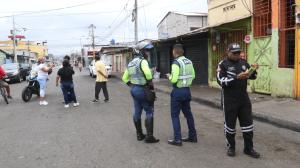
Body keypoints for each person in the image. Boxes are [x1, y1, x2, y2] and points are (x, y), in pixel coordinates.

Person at [217, 43, 260, 158]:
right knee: (230, 126)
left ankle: (248, 148)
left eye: (238, 53)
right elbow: (221, 81)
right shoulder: (223, 64)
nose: (237, 55)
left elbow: (252, 76)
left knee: (248, 125)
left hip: (243, 99)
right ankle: (231, 147)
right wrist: (236, 77)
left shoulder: (243, 62)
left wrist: (253, 70)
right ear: (228, 52)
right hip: (229, 100)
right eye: (234, 53)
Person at [122, 41, 159, 143]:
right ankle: (149, 137)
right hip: (144, 89)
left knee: (137, 111)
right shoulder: (143, 62)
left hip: (134, 90)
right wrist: (150, 76)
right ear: (140, 51)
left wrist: (132, 85)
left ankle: (139, 134)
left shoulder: (131, 63)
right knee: (149, 111)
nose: (147, 53)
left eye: (148, 51)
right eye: (146, 51)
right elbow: (148, 75)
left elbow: (124, 78)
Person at [166, 44, 197, 146]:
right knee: (188, 114)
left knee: (175, 115)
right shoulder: (189, 61)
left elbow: (174, 79)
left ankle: (177, 139)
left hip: (177, 92)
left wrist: (169, 77)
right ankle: (192, 136)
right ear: (182, 52)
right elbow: (193, 76)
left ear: (174, 52)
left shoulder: (176, 63)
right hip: (187, 91)